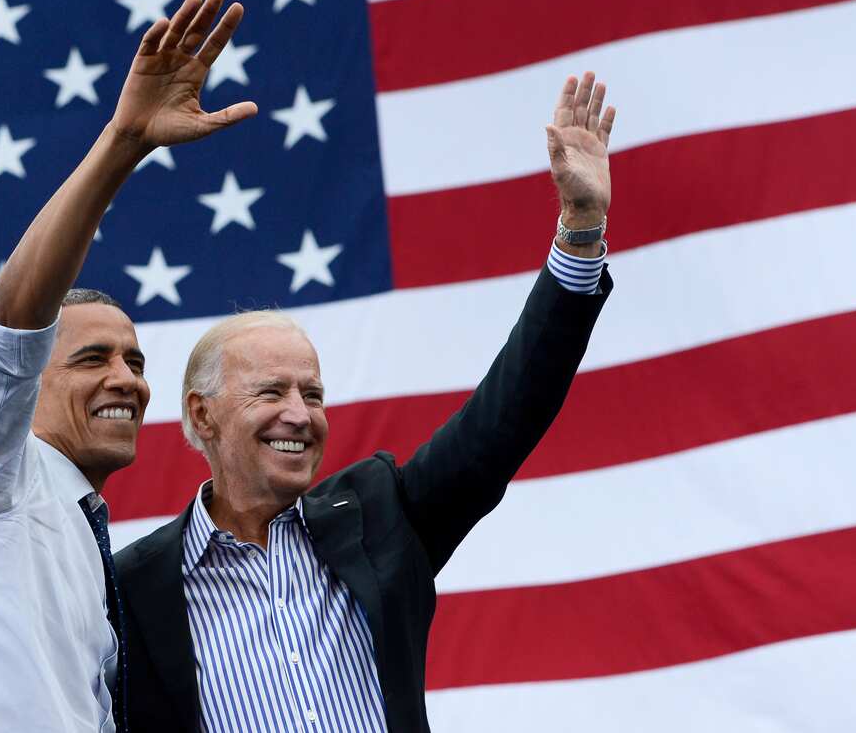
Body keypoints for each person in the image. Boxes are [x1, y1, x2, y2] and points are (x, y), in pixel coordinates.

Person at [112, 72, 617, 733]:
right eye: (272, 391)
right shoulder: (132, 590)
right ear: (203, 414)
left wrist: (580, 230)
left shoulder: (378, 518)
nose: (301, 413)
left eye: (313, 394)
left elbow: (504, 419)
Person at [0, 0, 256, 732]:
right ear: (28, 385)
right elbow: (6, 335)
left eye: (136, 361)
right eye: (92, 358)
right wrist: (124, 143)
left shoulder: (78, 532)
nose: (127, 379)